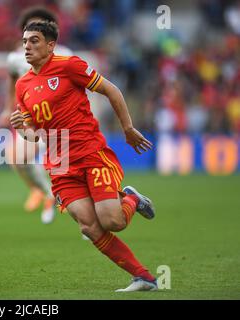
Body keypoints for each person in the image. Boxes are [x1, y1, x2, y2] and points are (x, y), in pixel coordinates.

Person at [10, 21, 157, 292]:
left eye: (34, 41)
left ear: (50, 45)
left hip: (90, 153)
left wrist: (127, 128)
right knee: (89, 227)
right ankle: (144, 277)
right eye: (25, 41)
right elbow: (35, 136)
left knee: (113, 222)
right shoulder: (23, 85)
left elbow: (111, 90)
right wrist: (22, 129)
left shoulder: (70, 66)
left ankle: (132, 198)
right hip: (60, 164)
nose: (27, 46)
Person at [0, 6, 72, 224]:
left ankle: (89, 223)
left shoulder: (65, 55)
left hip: (61, 122)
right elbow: (12, 83)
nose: (34, 30)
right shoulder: (15, 59)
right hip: (33, 121)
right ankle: (44, 192)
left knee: (69, 174)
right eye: (29, 28)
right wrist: (7, 108)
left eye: (40, 25)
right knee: (18, 159)